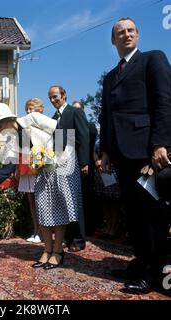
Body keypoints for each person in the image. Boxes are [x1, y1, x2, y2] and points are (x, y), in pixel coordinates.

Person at [100, 17, 171, 294]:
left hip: (146, 153)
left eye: (130, 30)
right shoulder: (109, 77)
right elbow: (106, 116)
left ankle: (154, 272)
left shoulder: (153, 59)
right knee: (133, 214)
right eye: (120, 32)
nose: (126, 34)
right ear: (113, 40)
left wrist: (161, 144)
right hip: (119, 153)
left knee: (151, 214)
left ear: (138, 35)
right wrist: (105, 150)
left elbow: (165, 102)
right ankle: (140, 262)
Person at [0, 102, 85, 269]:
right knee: (42, 208)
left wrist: (51, 156)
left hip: (63, 162)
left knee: (58, 207)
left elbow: (61, 132)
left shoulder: (32, 118)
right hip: (43, 167)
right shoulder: (12, 140)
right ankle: (47, 249)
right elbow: (7, 167)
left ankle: (58, 251)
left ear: (7, 120)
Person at [48, 86, 90, 253]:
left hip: (74, 162)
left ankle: (79, 240)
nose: (52, 100)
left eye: (55, 97)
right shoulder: (53, 118)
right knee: (64, 200)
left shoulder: (74, 112)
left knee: (74, 201)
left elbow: (83, 136)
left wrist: (84, 162)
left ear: (64, 95)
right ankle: (68, 237)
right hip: (59, 165)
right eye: (50, 98)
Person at [19, 98, 44, 243]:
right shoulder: (23, 126)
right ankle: (36, 231)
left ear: (39, 109)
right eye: (27, 109)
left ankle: (43, 232)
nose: (28, 111)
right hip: (25, 167)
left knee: (40, 200)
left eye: (31, 108)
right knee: (31, 202)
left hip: (39, 167)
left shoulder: (43, 125)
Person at [72, 100, 99, 237]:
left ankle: (91, 226)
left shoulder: (90, 126)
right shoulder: (70, 128)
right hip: (73, 165)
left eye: (78, 110)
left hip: (87, 164)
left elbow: (91, 146)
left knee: (88, 195)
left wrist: (86, 163)